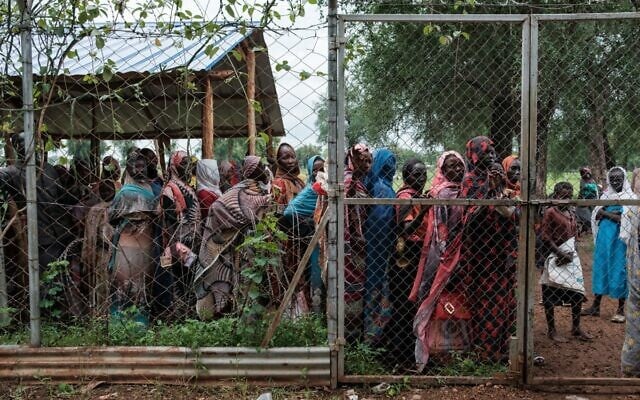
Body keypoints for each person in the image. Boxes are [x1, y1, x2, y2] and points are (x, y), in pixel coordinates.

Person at [460, 136, 518, 363]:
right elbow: (469, 220)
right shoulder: (470, 180)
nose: (492, 157)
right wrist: (488, 190)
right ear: (474, 155)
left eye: (494, 153)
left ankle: (501, 349)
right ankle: (483, 352)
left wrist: (499, 190)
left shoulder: (500, 179)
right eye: (486, 153)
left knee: (503, 301)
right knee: (483, 303)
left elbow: (512, 216)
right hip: (480, 254)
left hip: (501, 250)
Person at [194, 156, 272, 320]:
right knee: (240, 282)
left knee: (255, 284)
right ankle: (235, 317)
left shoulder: (263, 188)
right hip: (239, 246)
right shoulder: (240, 189)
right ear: (252, 170)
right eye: (260, 166)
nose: (265, 168)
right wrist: (245, 218)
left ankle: (251, 317)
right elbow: (218, 208)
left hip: (258, 246)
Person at [411, 151, 467, 370]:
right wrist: (447, 260)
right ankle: (432, 353)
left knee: (456, 302)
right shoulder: (440, 193)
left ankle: (455, 351)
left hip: (465, 255)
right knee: (434, 300)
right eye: (452, 166)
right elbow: (441, 231)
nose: (457, 170)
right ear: (442, 170)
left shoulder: (467, 191)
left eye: (460, 165)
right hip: (442, 256)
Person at [0, 133, 73, 274]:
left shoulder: (49, 169)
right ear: (16, 147)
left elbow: (63, 197)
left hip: (63, 233)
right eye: (24, 143)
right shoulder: (11, 173)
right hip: (42, 238)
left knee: (63, 276)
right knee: (47, 277)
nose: (30, 147)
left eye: (33, 143)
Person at [384, 158, 428, 365]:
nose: (421, 178)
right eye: (416, 174)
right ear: (405, 176)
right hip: (405, 257)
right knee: (403, 304)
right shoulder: (405, 197)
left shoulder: (418, 196)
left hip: (415, 254)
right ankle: (398, 354)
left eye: (423, 174)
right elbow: (405, 229)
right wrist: (424, 212)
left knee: (411, 306)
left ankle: (407, 351)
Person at [108, 149, 159, 327]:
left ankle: (124, 325)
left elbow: (112, 216)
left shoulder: (127, 192)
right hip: (133, 244)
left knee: (131, 286)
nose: (140, 170)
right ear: (128, 169)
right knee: (132, 286)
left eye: (143, 166)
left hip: (136, 243)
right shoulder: (129, 192)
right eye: (136, 166)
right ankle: (132, 325)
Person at [582, 166, 639, 323]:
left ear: (624, 179)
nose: (615, 181)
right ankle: (595, 305)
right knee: (601, 267)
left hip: (620, 240)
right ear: (608, 180)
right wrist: (611, 214)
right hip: (604, 238)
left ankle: (620, 310)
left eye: (618, 178)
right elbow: (596, 215)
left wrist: (606, 213)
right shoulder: (606, 195)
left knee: (619, 269)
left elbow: (625, 220)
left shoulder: (630, 197)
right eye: (612, 179)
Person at [539, 182, 592, 342]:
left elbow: (575, 234)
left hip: (571, 257)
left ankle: (576, 327)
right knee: (550, 292)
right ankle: (552, 330)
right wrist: (560, 253)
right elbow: (545, 237)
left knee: (576, 292)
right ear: (556, 195)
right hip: (554, 256)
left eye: (569, 196)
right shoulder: (550, 212)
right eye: (563, 196)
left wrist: (572, 253)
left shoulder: (571, 211)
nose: (566, 198)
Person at [159, 151, 201, 315]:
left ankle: (190, 316)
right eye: (183, 163)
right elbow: (169, 225)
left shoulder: (187, 187)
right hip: (179, 247)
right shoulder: (170, 190)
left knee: (191, 282)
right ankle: (180, 318)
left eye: (189, 162)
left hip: (192, 242)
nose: (188, 166)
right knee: (180, 283)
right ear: (174, 166)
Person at [283, 155, 325, 313]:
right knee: (316, 275)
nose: (319, 173)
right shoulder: (311, 190)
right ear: (310, 172)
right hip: (314, 240)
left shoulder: (325, 189)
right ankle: (316, 311)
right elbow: (289, 212)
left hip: (327, 239)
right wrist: (309, 223)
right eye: (315, 171)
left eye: (323, 169)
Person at [363, 148, 396, 345]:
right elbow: (381, 223)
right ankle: (374, 338)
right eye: (388, 164)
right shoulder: (382, 188)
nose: (391, 168)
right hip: (380, 250)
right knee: (377, 292)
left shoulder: (373, 184)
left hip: (374, 250)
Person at [344, 143, 372, 341]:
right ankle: (348, 338)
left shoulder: (360, 182)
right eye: (362, 161)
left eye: (370, 161)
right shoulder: (348, 181)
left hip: (359, 246)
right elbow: (347, 215)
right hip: (349, 247)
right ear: (352, 160)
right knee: (348, 293)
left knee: (357, 293)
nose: (367, 165)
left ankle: (353, 336)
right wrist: (356, 236)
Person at [576, 166, 600, 234]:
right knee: (583, 213)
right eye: (585, 172)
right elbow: (585, 188)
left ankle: (591, 227)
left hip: (593, 199)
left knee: (593, 212)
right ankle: (588, 227)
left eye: (588, 172)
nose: (588, 173)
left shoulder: (591, 180)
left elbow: (594, 189)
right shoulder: (583, 180)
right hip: (584, 199)